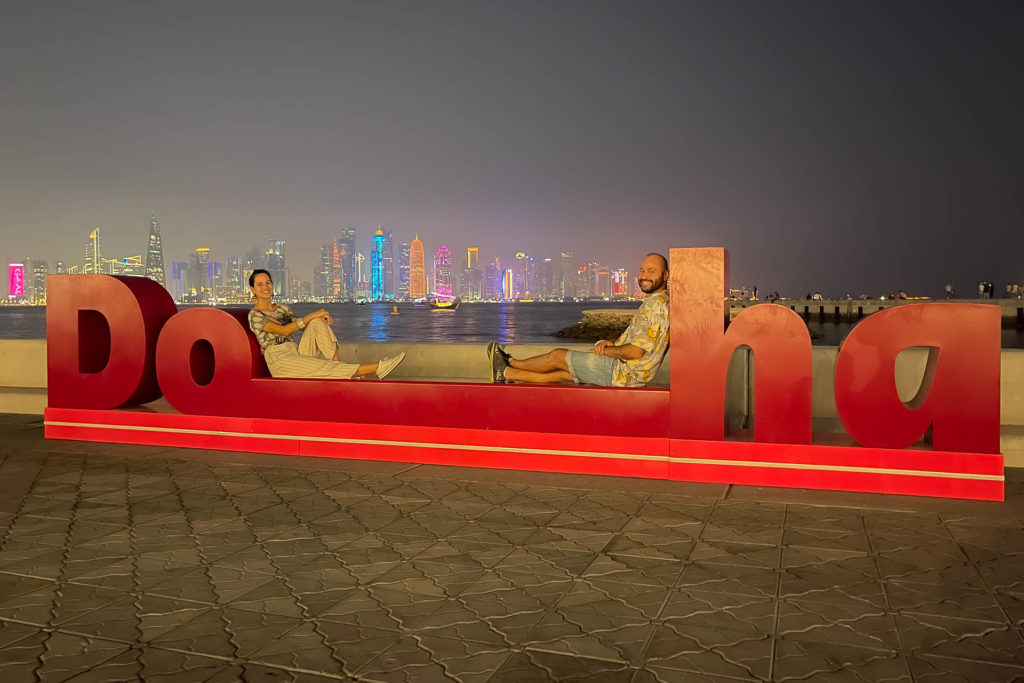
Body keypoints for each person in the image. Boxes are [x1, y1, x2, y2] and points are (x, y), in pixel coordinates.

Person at [486, 253, 670, 386]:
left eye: (651, 271)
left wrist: (606, 351)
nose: (644, 276)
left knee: (558, 356)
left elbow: (635, 352)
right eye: (642, 270)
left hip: (623, 372)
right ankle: (506, 373)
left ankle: (509, 362)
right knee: (565, 374)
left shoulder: (655, 306)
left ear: (666, 275)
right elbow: (642, 341)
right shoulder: (663, 301)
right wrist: (613, 343)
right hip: (637, 375)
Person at [247, 269, 404, 379]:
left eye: (268, 283)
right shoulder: (255, 315)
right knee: (322, 366)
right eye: (260, 285)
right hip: (280, 359)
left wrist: (319, 320)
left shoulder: (282, 308)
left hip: (295, 350)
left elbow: (300, 326)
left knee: (316, 322)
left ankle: (338, 364)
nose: (265, 287)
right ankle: (377, 367)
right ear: (253, 289)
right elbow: (284, 331)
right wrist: (314, 313)